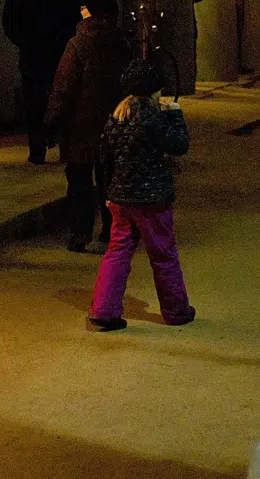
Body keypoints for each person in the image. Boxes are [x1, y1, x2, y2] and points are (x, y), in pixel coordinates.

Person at [88, 59, 195, 331]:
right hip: (152, 200)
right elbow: (179, 145)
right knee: (163, 253)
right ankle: (176, 311)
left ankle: (104, 310)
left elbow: (104, 156)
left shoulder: (117, 116)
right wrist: (176, 114)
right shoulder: (152, 118)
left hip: (121, 198)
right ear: (154, 90)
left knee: (118, 251)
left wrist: (109, 191)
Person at [46, 0, 132, 253]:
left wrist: (52, 120)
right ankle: (110, 230)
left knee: (79, 181)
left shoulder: (77, 45)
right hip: (114, 124)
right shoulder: (123, 44)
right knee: (110, 181)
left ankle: (80, 233)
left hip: (80, 126)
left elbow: (64, 87)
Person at [2, 0, 84, 164]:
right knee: (63, 97)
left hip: (32, 56)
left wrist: (24, 42)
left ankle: (37, 149)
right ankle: (64, 144)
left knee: (34, 102)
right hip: (62, 54)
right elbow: (82, 16)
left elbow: (9, 23)